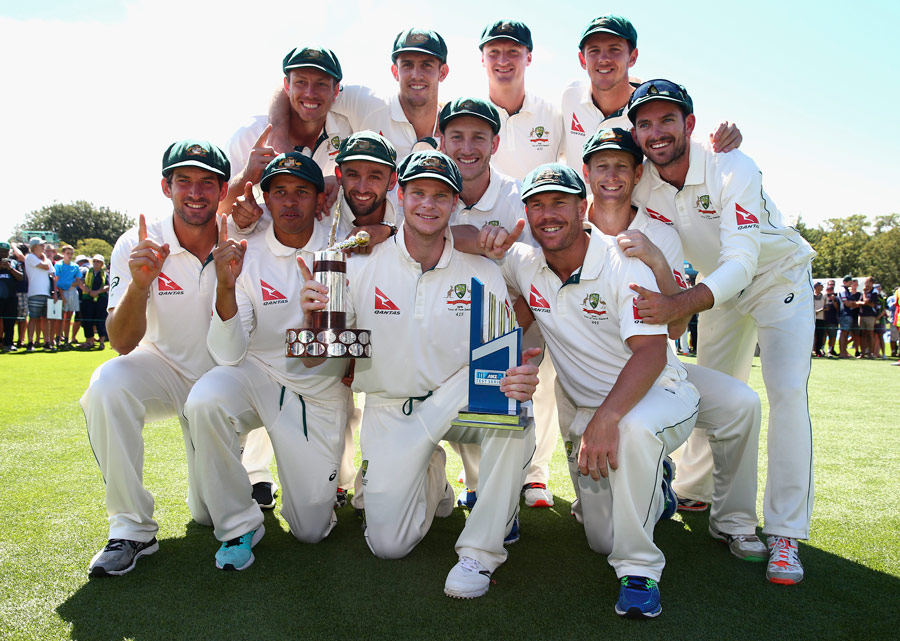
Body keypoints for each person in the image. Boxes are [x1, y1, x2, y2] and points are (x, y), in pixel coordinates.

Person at [299, 150, 540, 599]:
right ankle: (431, 476)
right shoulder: (360, 263)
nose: (428, 205)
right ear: (401, 196)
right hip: (392, 408)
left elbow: (501, 360)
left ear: (453, 204)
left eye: (440, 196)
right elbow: (317, 358)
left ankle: (480, 554)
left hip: (455, 397)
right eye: (418, 194)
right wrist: (313, 315)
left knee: (513, 412)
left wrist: (520, 379)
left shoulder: (482, 270)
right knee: (388, 546)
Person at [627, 79, 815, 585]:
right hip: (718, 289)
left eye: (668, 120)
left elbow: (742, 259)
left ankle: (784, 533)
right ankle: (694, 488)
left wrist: (677, 303)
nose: (657, 131)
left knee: (786, 394)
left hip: (778, 277)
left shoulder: (734, 164)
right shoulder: (645, 180)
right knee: (715, 391)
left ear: (690, 124)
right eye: (645, 123)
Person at [499, 162, 698, 618]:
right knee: (598, 539)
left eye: (559, 202)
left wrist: (607, 420)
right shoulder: (524, 261)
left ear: (583, 207)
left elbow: (651, 353)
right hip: (590, 409)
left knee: (632, 431)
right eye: (536, 204)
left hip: (659, 393)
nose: (547, 214)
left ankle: (640, 571)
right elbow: (471, 248)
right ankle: (656, 486)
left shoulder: (623, 261)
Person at [579, 128, 764, 560]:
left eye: (621, 166)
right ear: (586, 172)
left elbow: (677, 329)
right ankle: (655, 486)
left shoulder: (658, 229)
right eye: (601, 166)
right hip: (591, 384)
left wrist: (658, 262)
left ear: (638, 172)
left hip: (660, 372)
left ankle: (734, 522)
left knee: (742, 404)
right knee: (601, 536)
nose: (611, 176)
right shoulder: (568, 223)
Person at [184, 152, 352, 570]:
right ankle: (240, 524)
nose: (290, 202)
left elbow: (353, 343)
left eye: (301, 192)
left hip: (317, 393)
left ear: (320, 199)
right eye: (279, 192)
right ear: (267, 199)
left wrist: (319, 329)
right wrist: (225, 287)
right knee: (205, 400)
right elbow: (227, 353)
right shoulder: (246, 252)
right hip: (256, 375)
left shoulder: (346, 244)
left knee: (310, 531)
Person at [82, 140, 230, 577]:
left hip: (222, 384)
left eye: (207, 182)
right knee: (107, 383)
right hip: (163, 371)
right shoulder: (137, 241)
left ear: (223, 190)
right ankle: (131, 530)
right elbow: (122, 342)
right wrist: (140, 285)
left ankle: (247, 480)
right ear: (166, 187)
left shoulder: (242, 237)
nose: (195, 192)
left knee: (207, 515)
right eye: (184, 181)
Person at [437, 96, 556, 511]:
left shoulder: (516, 196)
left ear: (495, 144)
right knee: (461, 404)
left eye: (478, 138)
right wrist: (462, 237)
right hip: (450, 320)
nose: (467, 147)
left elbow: (533, 287)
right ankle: (476, 485)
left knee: (505, 400)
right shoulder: (429, 189)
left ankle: (508, 493)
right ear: (441, 140)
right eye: (456, 136)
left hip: (517, 320)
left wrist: (499, 343)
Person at [560, 15, 740, 172]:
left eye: (614, 49)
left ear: (632, 57)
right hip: (582, 212)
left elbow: (681, 149)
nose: (604, 59)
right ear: (582, 60)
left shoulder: (649, 109)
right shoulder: (570, 96)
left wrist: (726, 139)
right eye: (594, 51)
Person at [222, 46, 351, 217]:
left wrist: (342, 182)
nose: (310, 93)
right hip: (255, 242)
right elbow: (218, 209)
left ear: (335, 91)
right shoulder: (248, 135)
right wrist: (247, 174)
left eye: (321, 84)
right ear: (286, 86)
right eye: (300, 82)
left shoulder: (348, 132)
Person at [477, 20, 563, 181]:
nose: (503, 61)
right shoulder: (472, 116)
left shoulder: (553, 115)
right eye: (494, 52)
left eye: (513, 52)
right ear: (483, 59)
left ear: (529, 58)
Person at [24, 237, 56, 352]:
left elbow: (52, 274)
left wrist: (54, 292)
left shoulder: (45, 258)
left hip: (46, 292)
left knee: (46, 318)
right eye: (41, 245)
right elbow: (46, 267)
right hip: (34, 292)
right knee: (33, 318)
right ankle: (30, 342)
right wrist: (44, 259)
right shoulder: (30, 257)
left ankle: (47, 341)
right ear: (34, 246)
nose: (43, 247)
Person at [54, 245, 82, 349]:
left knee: (69, 317)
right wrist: (62, 293)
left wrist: (66, 283)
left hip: (72, 292)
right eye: (68, 253)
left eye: (71, 254)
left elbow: (78, 281)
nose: (70, 256)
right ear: (63, 254)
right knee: (60, 317)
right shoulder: (59, 265)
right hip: (62, 293)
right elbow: (57, 281)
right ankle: (58, 338)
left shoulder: (75, 266)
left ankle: (66, 339)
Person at [79, 255, 109, 350]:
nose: (96, 263)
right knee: (88, 320)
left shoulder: (105, 274)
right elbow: (81, 283)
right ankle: (89, 340)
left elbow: (108, 285)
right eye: (95, 261)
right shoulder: (86, 272)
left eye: (98, 261)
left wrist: (98, 292)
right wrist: (89, 292)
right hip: (88, 298)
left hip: (101, 299)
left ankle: (101, 341)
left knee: (100, 320)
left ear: (102, 264)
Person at [0, 242, 24, 352]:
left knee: (10, 322)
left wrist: (10, 269)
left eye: (5, 251)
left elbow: (20, 277)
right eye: (1, 251)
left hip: (11, 297)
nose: (3, 254)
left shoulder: (14, 263)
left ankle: (8, 343)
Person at [838, 276, 862, 358]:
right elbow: (846, 303)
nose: (851, 284)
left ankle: (844, 351)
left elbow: (850, 303)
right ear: (845, 282)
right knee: (844, 333)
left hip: (849, 313)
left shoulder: (847, 291)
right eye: (850, 282)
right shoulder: (843, 290)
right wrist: (855, 303)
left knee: (846, 333)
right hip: (844, 314)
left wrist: (852, 303)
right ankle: (842, 352)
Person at [858, 277, 879, 358]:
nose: (865, 284)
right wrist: (864, 302)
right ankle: (863, 353)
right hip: (862, 314)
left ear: (871, 283)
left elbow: (868, 302)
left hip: (870, 315)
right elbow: (859, 302)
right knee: (863, 334)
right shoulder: (865, 292)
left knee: (870, 334)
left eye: (867, 282)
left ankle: (871, 353)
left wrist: (864, 293)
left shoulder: (874, 292)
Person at [823, 280, 840, 357]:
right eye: (828, 289)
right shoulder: (822, 297)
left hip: (833, 320)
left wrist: (834, 300)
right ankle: (822, 350)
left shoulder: (836, 298)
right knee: (823, 335)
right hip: (823, 320)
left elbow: (838, 308)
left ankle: (830, 350)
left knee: (832, 336)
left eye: (831, 289)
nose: (830, 291)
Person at [812, 282, 826, 357]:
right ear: (816, 287)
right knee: (811, 335)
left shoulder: (824, 296)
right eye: (821, 286)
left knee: (820, 335)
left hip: (821, 318)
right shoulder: (811, 296)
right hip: (812, 319)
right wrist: (818, 311)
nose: (822, 287)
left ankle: (818, 350)